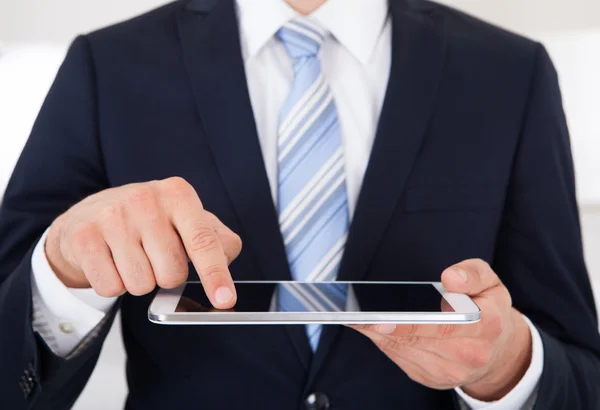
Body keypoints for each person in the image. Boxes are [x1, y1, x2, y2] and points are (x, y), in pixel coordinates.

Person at [1, 0, 599, 408]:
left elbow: (583, 375)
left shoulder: (509, 74)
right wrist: (63, 274)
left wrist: (506, 365)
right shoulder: (106, 68)